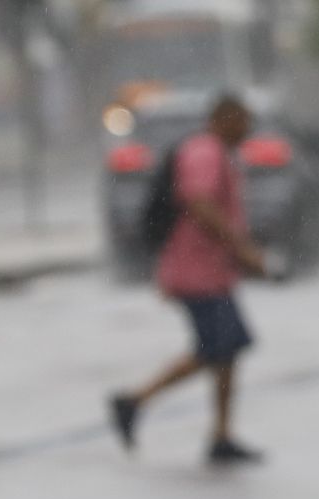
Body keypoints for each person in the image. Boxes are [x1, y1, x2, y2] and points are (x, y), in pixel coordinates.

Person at [109, 95, 267, 465]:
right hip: (195, 273)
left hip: (212, 273)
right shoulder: (204, 152)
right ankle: (134, 401)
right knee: (215, 348)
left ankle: (221, 434)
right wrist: (241, 248)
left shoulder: (214, 152)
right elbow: (199, 202)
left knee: (228, 347)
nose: (247, 130)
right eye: (243, 121)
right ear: (224, 118)